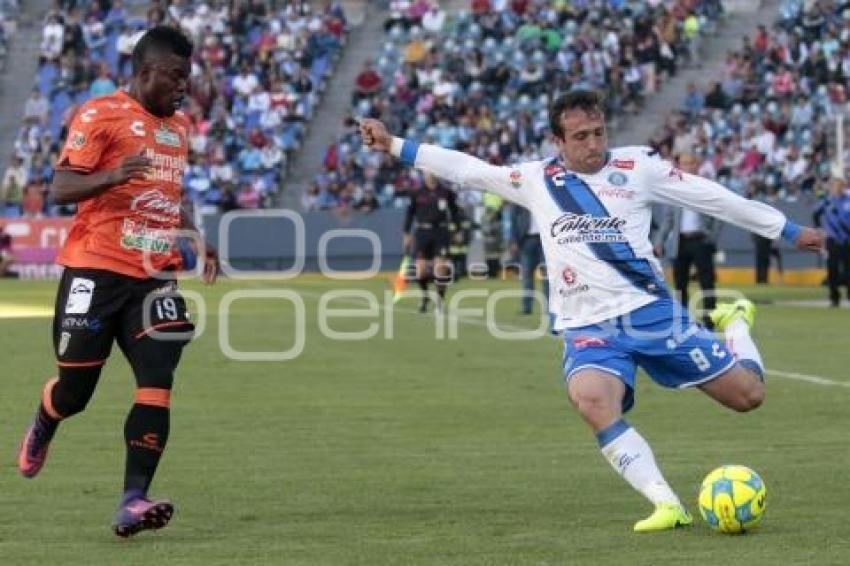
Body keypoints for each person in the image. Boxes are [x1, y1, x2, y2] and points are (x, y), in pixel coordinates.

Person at [358, 89, 824, 532]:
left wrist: (785, 229)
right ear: (557, 141)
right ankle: (667, 503)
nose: (593, 144)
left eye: (599, 132)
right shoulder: (537, 180)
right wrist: (394, 143)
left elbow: (713, 197)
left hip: (652, 314)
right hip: (588, 326)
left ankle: (736, 320)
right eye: (580, 137)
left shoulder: (638, 168)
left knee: (748, 397)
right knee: (592, 401)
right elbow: (468, 169)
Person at [15, 26, 219, 538]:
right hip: (95, 269)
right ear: (145, 70)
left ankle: (133, 499)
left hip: (154, 277)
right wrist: (112, 176)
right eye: (175, 77)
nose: (182, 87)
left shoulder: (180, 129)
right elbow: (61, 185)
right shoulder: (99, 114)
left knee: (158, 378)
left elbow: (169, 193)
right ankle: (47, 417)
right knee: (75, 393)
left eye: (186, 79)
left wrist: (197, 234)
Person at [654, 152, 721, 327]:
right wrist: (659, 241)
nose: (688, 166)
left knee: (707, 281)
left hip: (701, 240)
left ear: (697, 165)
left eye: (691, 163)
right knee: (679, 283)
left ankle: (709, 320)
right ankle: (684, 322)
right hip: (680, 242)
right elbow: (668, 219)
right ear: (679, 166)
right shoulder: (673, 188)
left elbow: (718, 214)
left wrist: (711, 237)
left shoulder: (705, 187)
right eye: (684, 163)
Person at [403, 172, 458, 313]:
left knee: (441, 269)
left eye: (434, 170)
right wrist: (407, 233)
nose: (431, 174)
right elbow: (410, 214)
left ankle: (439, 302)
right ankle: (425, 296)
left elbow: (455, 212)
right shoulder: (417, 193)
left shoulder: (446, 192)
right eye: (428, 171)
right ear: (424, 174)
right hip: (422, 233)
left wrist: (458, 230)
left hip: (441, 232)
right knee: (420, 271)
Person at [813, 174, 850, 306]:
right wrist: (818, 229)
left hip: (847, 239)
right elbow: (815, 214)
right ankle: (834, 297)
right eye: (835, 186)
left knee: (848, 269)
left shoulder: (848, 200)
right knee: (832, 269)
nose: (837, 188)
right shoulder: (827, 202)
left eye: (840, 185)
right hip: (832, 240)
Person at [509, 203, 548, 315]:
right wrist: (514, 240)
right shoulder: (521, 198)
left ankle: (549, 308)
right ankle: (527, 307)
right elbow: (513, 220)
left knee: (546, 277)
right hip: (526, 240)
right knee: (527, 276)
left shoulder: (543, 197)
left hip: (544, 240)